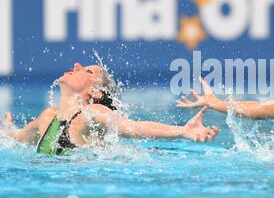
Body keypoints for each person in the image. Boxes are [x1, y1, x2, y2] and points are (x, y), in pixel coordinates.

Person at [1, 63, 218, 155]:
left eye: (86, 70)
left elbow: (132, 127)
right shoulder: (47, 117)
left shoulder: (91, 114)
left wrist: (182, 130)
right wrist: (8, 128)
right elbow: (18, 138)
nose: (76, 65)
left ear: (95, 92)